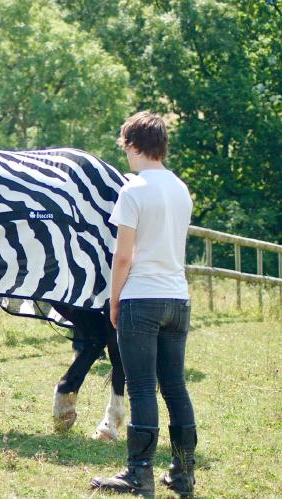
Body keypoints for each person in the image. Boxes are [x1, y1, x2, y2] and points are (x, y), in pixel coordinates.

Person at [91, 112, 196, 497]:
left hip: (142, 297)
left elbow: (123, 257)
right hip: (177, 298)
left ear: (134, 145)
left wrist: (114, 299)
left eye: (126, 149)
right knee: (175, 387)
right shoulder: (181, 189)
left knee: (140, 388)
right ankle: (184, 475)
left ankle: (138, 473)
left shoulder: (133, 190)